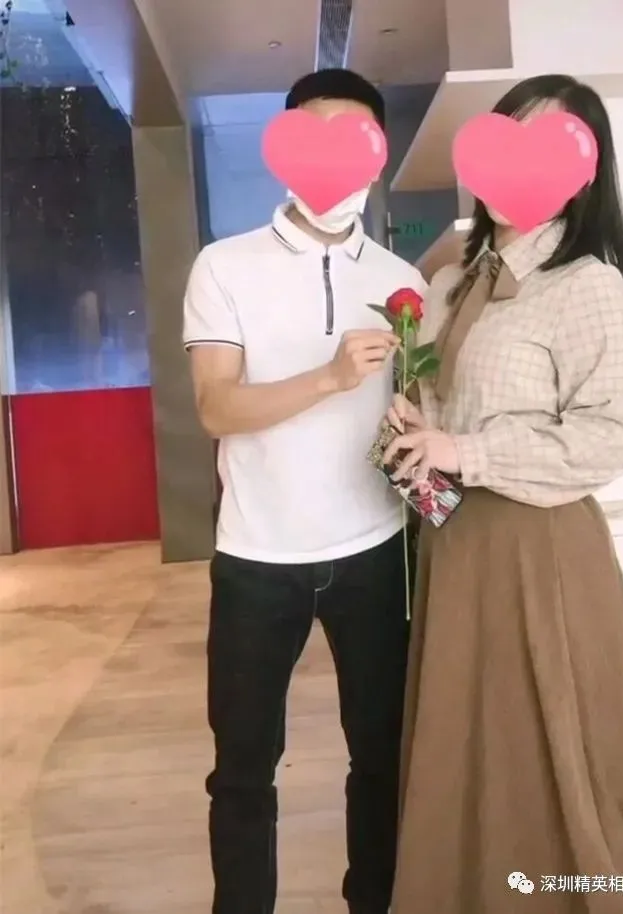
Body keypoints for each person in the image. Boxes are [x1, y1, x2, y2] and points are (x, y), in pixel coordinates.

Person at [382, 74, 623, 913]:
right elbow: (444, 410)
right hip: (454, 547)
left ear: (584, 172)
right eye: (510, 134)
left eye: (548, 145)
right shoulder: (450, 282)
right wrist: (416, 424)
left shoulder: (586, 286)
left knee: (552, 751)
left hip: (540, 553)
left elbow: (606, 437)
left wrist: (462, 448)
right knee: (466, 744)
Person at [183, 68, 427, 914]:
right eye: (314, 132)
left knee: (381, 757)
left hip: (374, 551)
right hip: (256, 557)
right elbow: (216, 408)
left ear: (377, 154)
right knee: (242, 769)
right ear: (282, 146)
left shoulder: (401, 279)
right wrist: (328, 378)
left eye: (354, 137)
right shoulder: (224, 266)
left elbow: (409, 409)